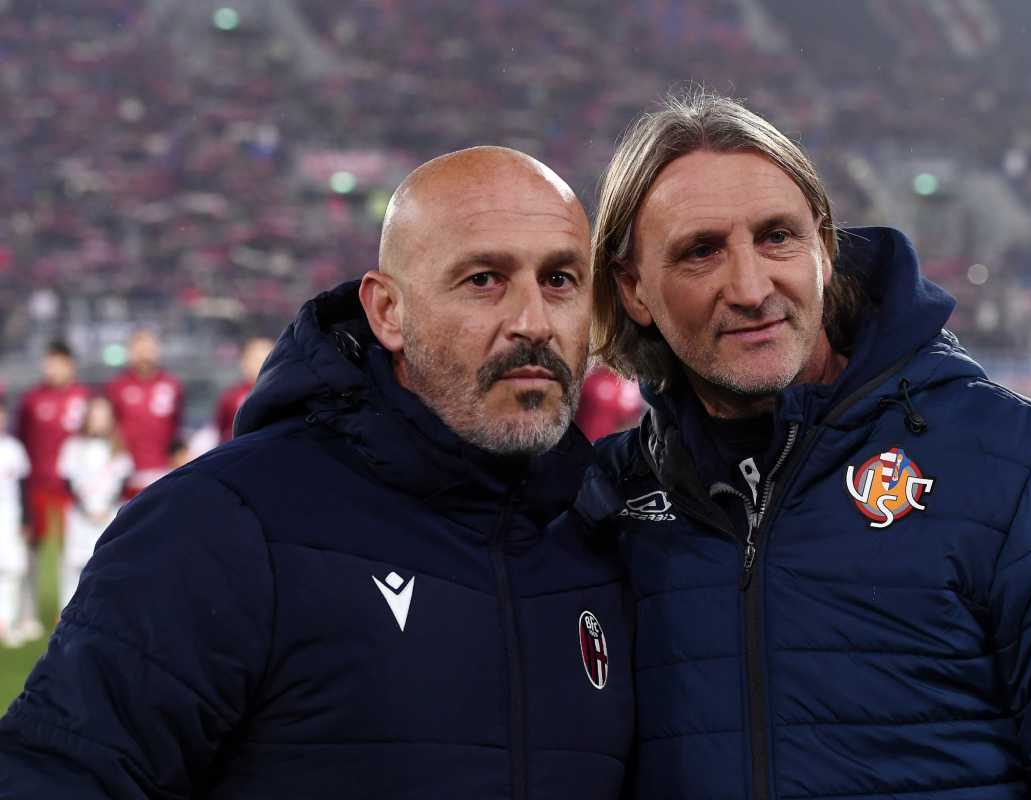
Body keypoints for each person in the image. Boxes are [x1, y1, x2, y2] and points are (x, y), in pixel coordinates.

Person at [586, 92, 1031, 798]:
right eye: (701, 252)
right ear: (632, 289)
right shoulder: (604, 504)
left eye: (777, 236)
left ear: (824, 247)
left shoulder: (1023, 467)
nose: (751, 287)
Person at [0, 146, 633, 798]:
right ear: (388, 312)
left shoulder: (610, 538)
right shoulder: (218, 524)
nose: (532, 322)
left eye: (560, 280)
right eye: (483, 280)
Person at [14, 341, 89, 642]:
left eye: (57, 362)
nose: (52, 368)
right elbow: (20, 441)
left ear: (70, 364)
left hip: (70, 490)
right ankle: (27, 613)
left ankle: (69, 611)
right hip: (37, 487)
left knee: (71, 552)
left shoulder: (83, 398)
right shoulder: (32, 400)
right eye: (48, 362)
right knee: (30, 552)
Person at [55, 396, 132, 613]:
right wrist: (86, 508)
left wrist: (105, 508)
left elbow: (122, 481)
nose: (99, 421)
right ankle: (68, 612)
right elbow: (68, 480)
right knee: (75, 563)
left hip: (107, 515)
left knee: (106, 563)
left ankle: (104, 612)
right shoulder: (73, 447)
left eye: (104, 416)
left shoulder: (118, 448)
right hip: (80, 516)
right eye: (95, 416)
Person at [104, 329, 183, 494]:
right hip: (127, 475)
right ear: (130, 352)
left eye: (148, 349)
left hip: (163, 472)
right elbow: (110, 428)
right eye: (139, 350)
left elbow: (178, 429)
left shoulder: (172, 385)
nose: (144, 355)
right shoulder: (116, 386)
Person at [0, 404, 30, 647]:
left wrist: (25, 519)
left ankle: (6, 622)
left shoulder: (14, 449)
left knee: (13, 569)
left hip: (9, 516)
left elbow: (23, 486)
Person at [213, 335, 274, 443]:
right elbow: (221, 432)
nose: (260, 364)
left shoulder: (284, 396)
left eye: (266, 359)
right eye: (256, 360)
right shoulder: (231, 396)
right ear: (244, 361)